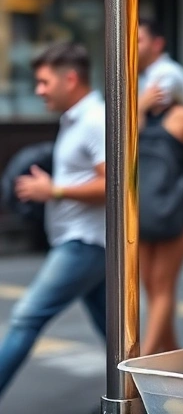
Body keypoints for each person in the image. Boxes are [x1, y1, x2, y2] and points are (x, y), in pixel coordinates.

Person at [1, 44, 105, 399]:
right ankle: (146, 400)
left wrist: (54, 191)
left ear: (70, 78)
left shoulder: (94, 120)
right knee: (117, 336)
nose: (38, 90)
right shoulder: (75, 118)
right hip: (86, 242)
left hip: (85, 243)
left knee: (25, 319)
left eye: (44, 82)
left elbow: (116, 184)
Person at [137, 76, 183, 355]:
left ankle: (144, 361)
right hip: (164, 209)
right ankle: (168, 353)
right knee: (156, 286)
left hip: (162, 209)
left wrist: (139, 109)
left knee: (158, 286)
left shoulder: (140, 121)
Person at [137, 18, 183, 109]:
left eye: (137, 41)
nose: (130, 46)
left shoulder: (167, 72)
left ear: (157, 44)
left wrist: (142, 103)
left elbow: (149, 110)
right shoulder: (140, 72)